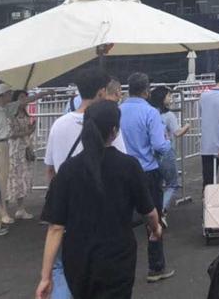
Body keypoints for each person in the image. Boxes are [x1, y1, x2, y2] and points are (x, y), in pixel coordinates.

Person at [36, 101, 161, 299]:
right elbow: (148, 212)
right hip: (117, 255)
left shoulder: (68, 170)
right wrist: (155, 229)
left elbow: (55, 227)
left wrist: (45, 276)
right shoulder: (129, 166)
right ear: (114, 131)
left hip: (78, 257)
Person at [43, 68, 126, 299]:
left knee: (61, 265)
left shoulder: (59, 124)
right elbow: (121, 163)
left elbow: (50, 168)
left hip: (67, 204)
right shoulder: (109, 124)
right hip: (100, 208)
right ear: (101, 92)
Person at [118, 72, 174, 284]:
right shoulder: (150, 112)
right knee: (153, 219)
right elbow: (159, 144)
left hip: (123, 169)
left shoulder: (118, 110)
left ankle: (122, 267)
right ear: (146, 91)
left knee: (123, 218)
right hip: (147, 169)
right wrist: (167, 144)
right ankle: (156, 267)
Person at [0, 82, 46, 236]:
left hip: (3, 145)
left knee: (2, 184)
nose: (11, 96)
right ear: (2, 95)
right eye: (9, 93)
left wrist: (42, 94)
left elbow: (23, 102)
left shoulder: (4, 108)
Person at [148, 86, 191, 214]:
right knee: (172, 184)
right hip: (166, 152)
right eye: (168, 95)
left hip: (151, 153)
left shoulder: (150, 113)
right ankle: (161, 209)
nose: (171, 98)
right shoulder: (169, 115)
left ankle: (154, 210)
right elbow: (177, 132)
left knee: (157, 185)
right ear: (162, 98)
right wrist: (187, 126)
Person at [8, 89, 40, 220]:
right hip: (15, 150)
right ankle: (11, 208)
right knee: (14, 177)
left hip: (25, 148)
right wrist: (27, 132)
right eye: (21, 97)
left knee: (23, 177)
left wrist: (31, 130)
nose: (24, 100)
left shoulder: (24, 113)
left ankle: (21, 207)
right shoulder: (11, 114)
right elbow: (11, 133)